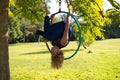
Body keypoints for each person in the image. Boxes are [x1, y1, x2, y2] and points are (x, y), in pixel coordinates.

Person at [27, 3, 72, 69]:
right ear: (59, 52)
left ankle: (47, 14)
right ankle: (36, 30)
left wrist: (51, 19)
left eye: (51, 53)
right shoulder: (63, 42)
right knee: (49, 36)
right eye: (53, 52)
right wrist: (68, 17)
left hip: (59, 28)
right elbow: (66, 29)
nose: (51, 51)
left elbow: (50, 30)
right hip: (66, 26)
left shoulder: (53, 43)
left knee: (48, 33)